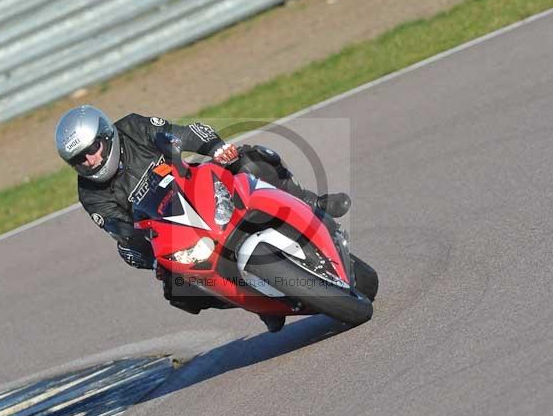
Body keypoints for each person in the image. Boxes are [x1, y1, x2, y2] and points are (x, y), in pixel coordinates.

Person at [55, 105, 351, 331]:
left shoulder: (132, 127)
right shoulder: (90, 194)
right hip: (176, 230)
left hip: (199, 187)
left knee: (251, 160)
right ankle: (257, 302)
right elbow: (122, 231)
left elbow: (181, 134)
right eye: (79, 159)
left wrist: (215, 148)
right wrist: (146, 255)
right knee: (177, 290)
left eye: (91, 150)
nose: (89, 161)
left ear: (106, 136)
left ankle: (312, 203)